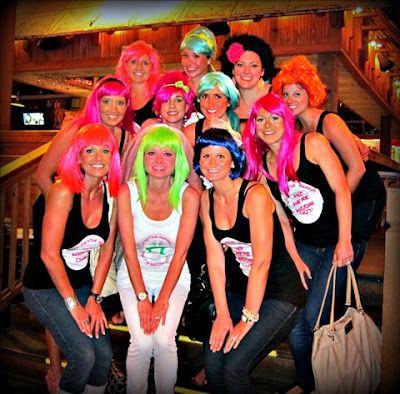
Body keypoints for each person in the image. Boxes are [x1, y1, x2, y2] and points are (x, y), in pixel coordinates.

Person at [243, 93, 354, 393]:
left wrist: (345, 240)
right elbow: (281, 218)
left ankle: (326, 377)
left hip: (335, 243)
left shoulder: (312, 143)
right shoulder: (264, 164)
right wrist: (294, 256)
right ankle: (307, 382)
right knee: (294, 320)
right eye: (261, 119)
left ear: (286, 119)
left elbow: (342, 190)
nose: (267, 125)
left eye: (274, 117)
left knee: (312, 315)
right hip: (305, 246)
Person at [34, 74, 134, 393]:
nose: (113, 108)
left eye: (120, 101)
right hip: (60, 206)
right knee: (81, 350)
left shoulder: (123, 138)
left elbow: (108, 241)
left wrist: (92, 297)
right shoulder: (77, 131)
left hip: (92, 212)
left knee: (97, 354)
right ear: (96, 102)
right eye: (107, 100)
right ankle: (54, 366)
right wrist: (68, 210)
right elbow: (41, 176)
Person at [193, 128, 305, 393]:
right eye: (206, 156)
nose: (212, 163)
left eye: (220, 156)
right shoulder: (205, 199)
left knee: (235, 367)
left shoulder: (254, 195)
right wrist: (222, 314)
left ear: (233, 160)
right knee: (212, 361)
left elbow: (262, 261)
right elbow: (215, 259)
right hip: (241, 291)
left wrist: (248, 318)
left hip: (280, 292)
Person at [23, 123, 121, 394]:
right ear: (78, 157)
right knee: (83, 356)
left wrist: (94, 298)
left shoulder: (111, 196)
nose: (98, 158)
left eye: (105, 151)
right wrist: (74, 305)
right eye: (90, 151)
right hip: (43, 287)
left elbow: (107, 251)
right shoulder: (63, 191)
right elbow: (48, 254)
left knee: (102, 358)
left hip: (80, 285)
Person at [116, 124, 200, 394]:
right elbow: (128, 250)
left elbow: (181, 253)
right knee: (141, 343)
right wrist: (143, 298)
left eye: (167, 153)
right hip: (133, 277)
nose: (159, 160)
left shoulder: (189, 195)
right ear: (142, 158)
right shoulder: (127, 192)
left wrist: (161, 300)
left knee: (164, 341)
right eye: (152, 153)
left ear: (178, 159)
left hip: (173, 277)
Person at [272, 55, 385, 246]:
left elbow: (358, 169)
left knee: (349, 245)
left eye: (297, 93)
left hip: (364, 194)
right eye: (285, 94)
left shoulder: (330, 122)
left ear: (311, 93)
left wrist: (332, 210)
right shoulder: (297, 129)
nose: (290, 99)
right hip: (340, 195)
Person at [219, 34, 278, 130]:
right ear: (232, 70)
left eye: (253, 66)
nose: (246, 71)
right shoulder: (225, 101)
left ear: (262, 71)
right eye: (240, 65)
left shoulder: (277, 95)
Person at [183, 71, 241, 147]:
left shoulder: (244, 129)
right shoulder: (190, 133)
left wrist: (234, 137)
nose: (210, 103)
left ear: (229, 101)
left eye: (217, 97)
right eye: (205, 96)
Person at [116, 40, 162, 126]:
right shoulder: (117, 95)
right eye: (133, 61)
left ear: (152, 68)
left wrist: (159, 122)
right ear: (125, 66)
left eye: (145, 63)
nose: (139, 67)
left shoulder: (161, 97)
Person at [180, 26, 217, 94]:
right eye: (185, 56)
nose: (189, 62)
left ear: (209, 59)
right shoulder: (176, 87)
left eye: (196, 56)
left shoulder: (220, 89)